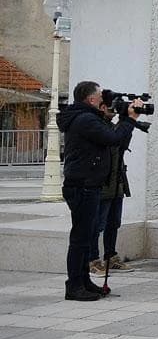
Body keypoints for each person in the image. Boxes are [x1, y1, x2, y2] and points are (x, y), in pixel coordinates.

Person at [57, 81, 143, 302]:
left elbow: (116, 142)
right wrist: (130, 118)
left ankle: (83, 281)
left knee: (86, 237)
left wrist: (124, 119)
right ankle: (74, 286)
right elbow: (113, 138)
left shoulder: (87, 117)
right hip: (82, 185)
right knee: (80, 238)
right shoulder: (85, 119)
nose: (102, 99)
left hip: (89, 184)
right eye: (99, 95)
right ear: (91, 99)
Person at [88, 99, 133, 294]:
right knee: (97, 224)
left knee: (114, 222)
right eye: (110, 109)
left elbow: (122, 143)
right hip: (104, 183)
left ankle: (110, 255)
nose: (113, 112)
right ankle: (92, 259)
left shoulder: (113, 127)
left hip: (117, 181)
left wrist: (127, 123)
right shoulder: (96, 127)